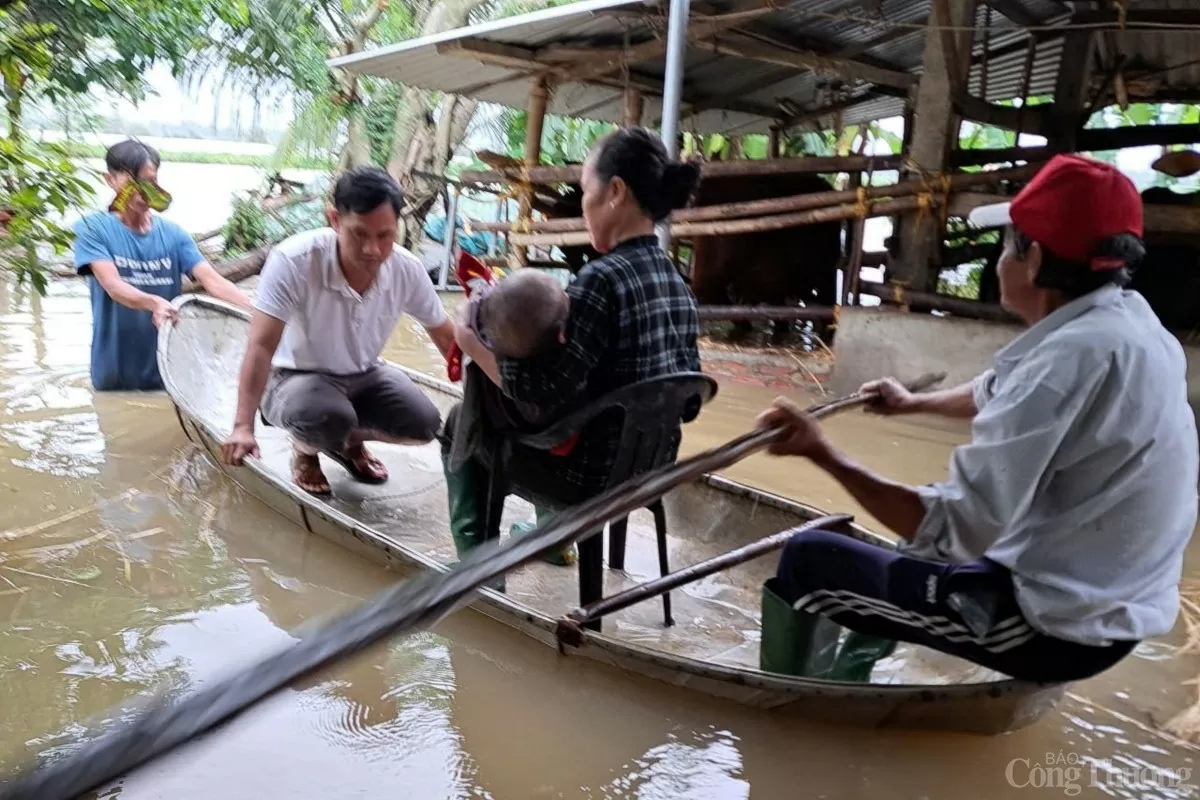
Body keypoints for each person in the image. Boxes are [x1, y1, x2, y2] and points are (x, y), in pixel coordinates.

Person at [755, 153, 1199, 684]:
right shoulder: (1131, 326)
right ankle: (856, 670)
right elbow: (998, 391)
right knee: (910, 541)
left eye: (1006, 245)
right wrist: (912, 402)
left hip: (1053, 627)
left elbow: (950, 532)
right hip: (1110, 609)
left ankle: (795, 700)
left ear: (1033, 259)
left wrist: (819, 451)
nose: (997, 263)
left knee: (809, 558)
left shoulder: (1063, 363)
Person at [444, 126, 702, 562]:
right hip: (651, 470)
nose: (582, 206)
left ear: (615, 191)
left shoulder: (599, 281)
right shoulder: (677, 282)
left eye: (584, 190)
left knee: (460, 424)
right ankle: (551, 539)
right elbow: (690, 404)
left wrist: (472, 343)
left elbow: (541, 398)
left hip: (587, 479)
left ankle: (477, 566)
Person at [220, 165, 456, 495]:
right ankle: (305, 451)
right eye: (360, 234)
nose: (373, 250)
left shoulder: (407, 269)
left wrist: (487, 397)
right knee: (325, 416)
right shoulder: (293, 260)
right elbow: (260, 347)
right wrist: (242, 427)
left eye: (385, 236)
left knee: (425, 424)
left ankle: (346, 443)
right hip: (293, 378)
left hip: (366, 373)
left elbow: (448, 338)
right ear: (335, 220)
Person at [73, 139, 252, 391]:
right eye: (132, 183)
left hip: (170, 374)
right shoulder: (91, 229)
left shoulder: (174, 234)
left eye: (149, 182)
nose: (142, 192)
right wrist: (154, 302)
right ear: (110, 180)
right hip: (113, 373)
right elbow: (113, 286)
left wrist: (258, 311)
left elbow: (212, 281)